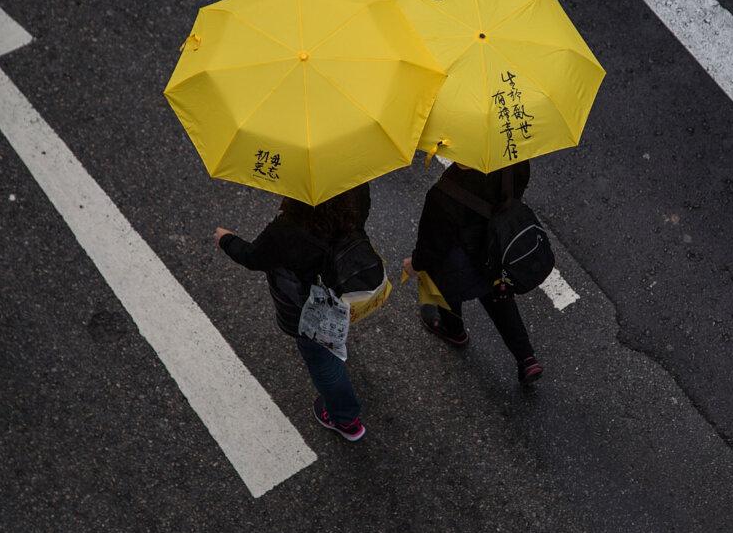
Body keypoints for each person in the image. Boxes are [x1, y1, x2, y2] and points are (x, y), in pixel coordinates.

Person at [214, 184, 371, 442]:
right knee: (333, 336)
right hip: (343, 283)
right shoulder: (356, 188)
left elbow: (254, 257)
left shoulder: (290, 227)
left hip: (308, 307)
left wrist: (226, 239)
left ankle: (346, 420)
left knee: (321, 359)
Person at [403, 161, 543, 385]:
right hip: (497, 250)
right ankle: (526, 358)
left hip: (463, 264)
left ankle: (453, 329)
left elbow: (431, 248)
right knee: (500, 297)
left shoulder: (442, 195)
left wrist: (415, 264)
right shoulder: (515, 163)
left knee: (438, 279)